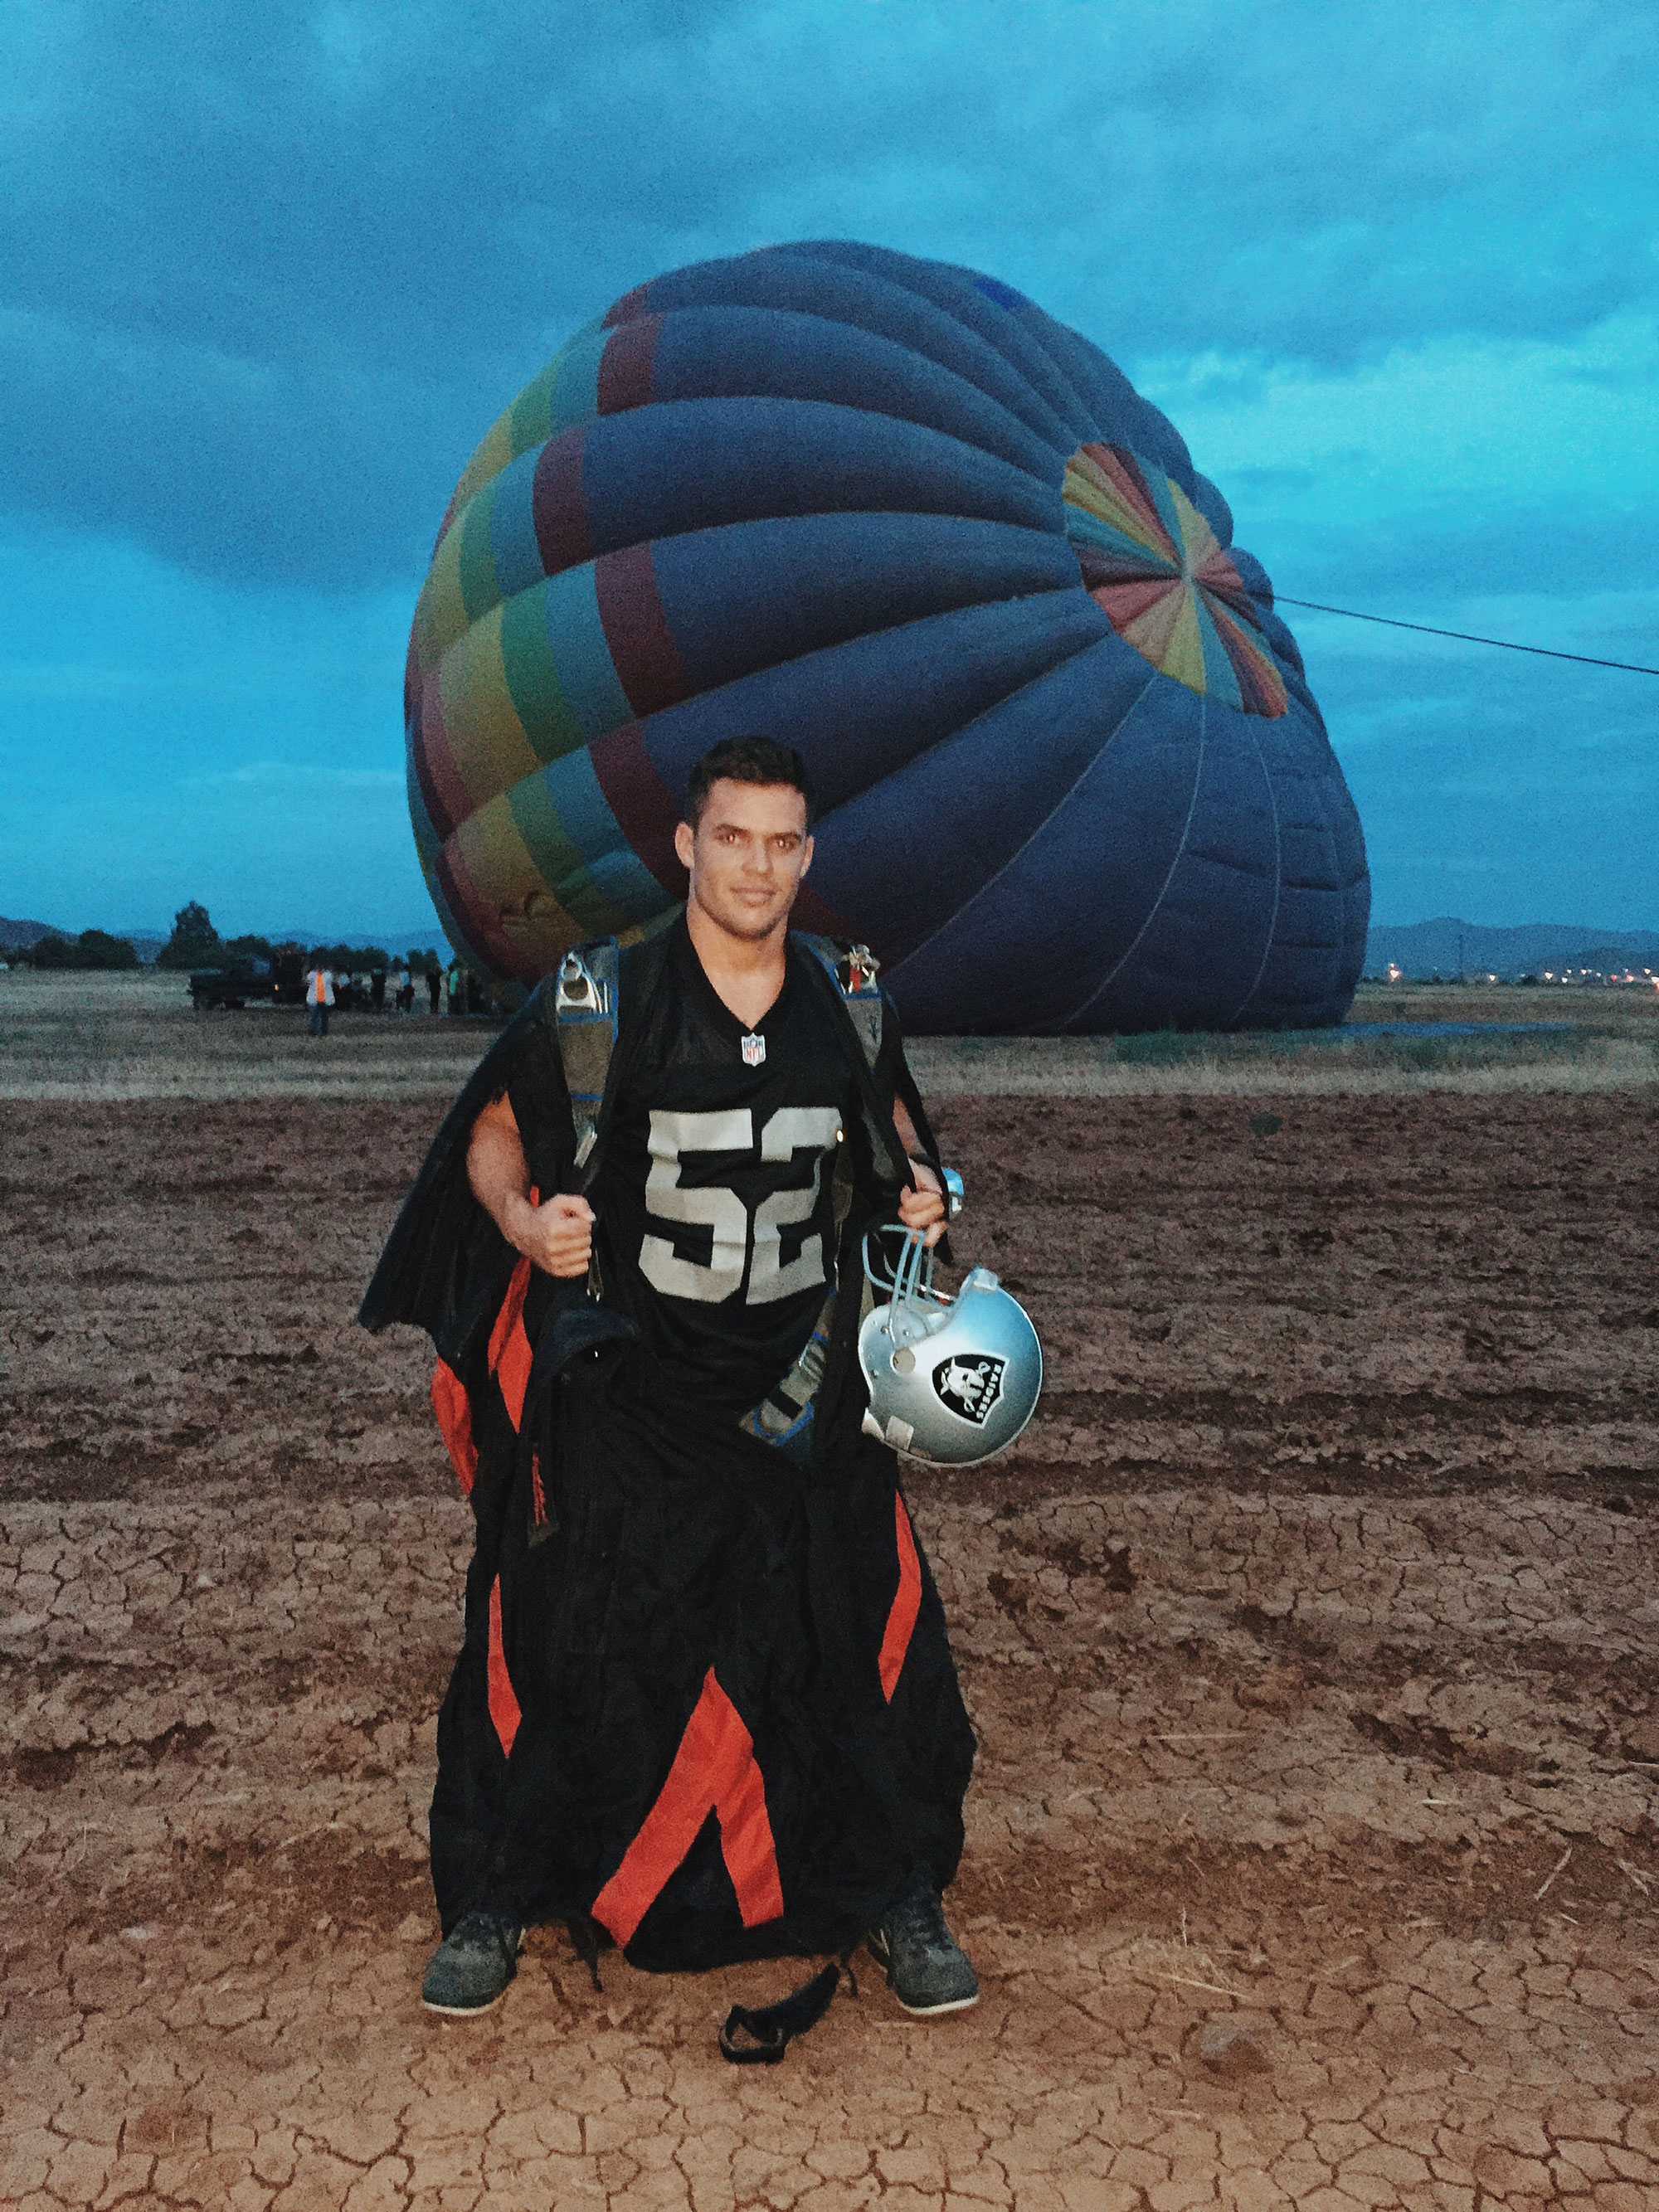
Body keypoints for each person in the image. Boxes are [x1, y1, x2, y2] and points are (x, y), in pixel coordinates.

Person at [360, 737, 978, 2039]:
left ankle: (891, 1885)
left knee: (854, 1629)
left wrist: (928, 1184)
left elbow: (896, 1126)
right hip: (634, 1395)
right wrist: (526, 1228)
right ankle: (500, 1889)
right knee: (561, 1632)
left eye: (783, 841)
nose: (759, 864)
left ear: (808, 854)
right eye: (734, 837)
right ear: (686, 845)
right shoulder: (602, 1000)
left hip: (806, 1383)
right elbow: (490, 1135)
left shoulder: (849, 995)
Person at [304, 961, 334, 1037]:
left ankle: (324, 1031)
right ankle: (313, 1031)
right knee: (314, 1016)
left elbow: (331, 983)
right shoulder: (312, 975)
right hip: (314, 999)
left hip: (325, 999)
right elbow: (306, 982)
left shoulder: (328, 975)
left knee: (324, 1017)